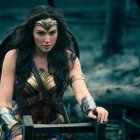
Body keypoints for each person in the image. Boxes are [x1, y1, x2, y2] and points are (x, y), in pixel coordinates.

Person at [0, 5, 108, 140]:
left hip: (57, 128)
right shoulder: (14, 57)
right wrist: (15, 130)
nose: (47, 40)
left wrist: (92, 109)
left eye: (52, 33)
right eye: (41, 33)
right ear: (31, 33)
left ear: (59, 32)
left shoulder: (69, 59)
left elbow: (82, 92)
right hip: (19, 126)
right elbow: (3, 102)